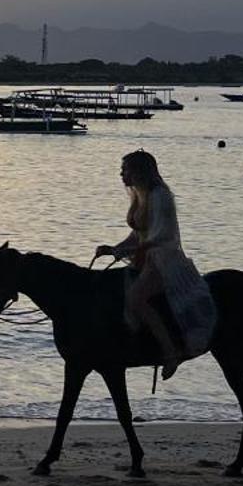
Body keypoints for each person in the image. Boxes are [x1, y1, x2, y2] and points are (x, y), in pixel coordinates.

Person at [94, 150, 215, 378]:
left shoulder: (160, 196)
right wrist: (114, 249)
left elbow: (162, 235)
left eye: (125, 169)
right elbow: (138, 234)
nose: (121, 174)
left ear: (140, 171)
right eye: (122, 170)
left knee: (136, 298)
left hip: (163, 259)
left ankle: (170, 353)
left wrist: (135, 249)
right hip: (145, 255)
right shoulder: (141, 195)